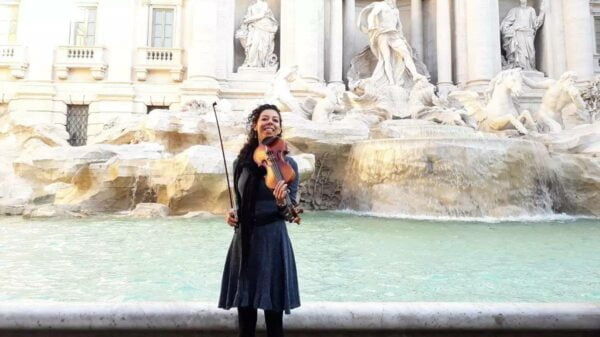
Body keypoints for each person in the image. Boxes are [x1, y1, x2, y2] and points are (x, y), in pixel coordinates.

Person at [219, 104, 300, 337]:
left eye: (275, 120)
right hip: (244, 240)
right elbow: (239, 201)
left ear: (280, 128)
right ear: (256, 126)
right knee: (245, 315)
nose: (270, 123)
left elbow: (290, 213)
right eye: (265, 119)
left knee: (274, 319)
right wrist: (232, 214)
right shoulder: (241, 164)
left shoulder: (289, 166)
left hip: (272, 239)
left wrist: (283, 202)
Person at [357, 0, 423, 86]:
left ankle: (415, 74)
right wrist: (372, 26)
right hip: (383, 34)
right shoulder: (381, 5)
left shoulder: (395, 10)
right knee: (386, 59)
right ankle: (391, 81)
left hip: (394, 34)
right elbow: (372, 15)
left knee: (406, 53)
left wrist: (401, 36)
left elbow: (399, 25)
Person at [500, 0, 545, 71]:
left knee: (531, 53)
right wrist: (511, 29)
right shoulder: (514, 10)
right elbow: (505, 24)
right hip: (518, 34)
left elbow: (536, 24)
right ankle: (522, 69)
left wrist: (542, 12)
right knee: (520, 54)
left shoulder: (531, 10)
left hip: (528, 34)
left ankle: (530, 68)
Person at [236, 0, 279, 68]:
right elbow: (247, 17)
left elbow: (261, 15)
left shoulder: (264, 4)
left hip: (264, 27)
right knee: (254, 44)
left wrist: (247, 20)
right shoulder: (251, 7)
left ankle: (261, 63)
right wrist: (247, 21)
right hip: (254, 28)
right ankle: (251, 63)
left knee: (263, 47)